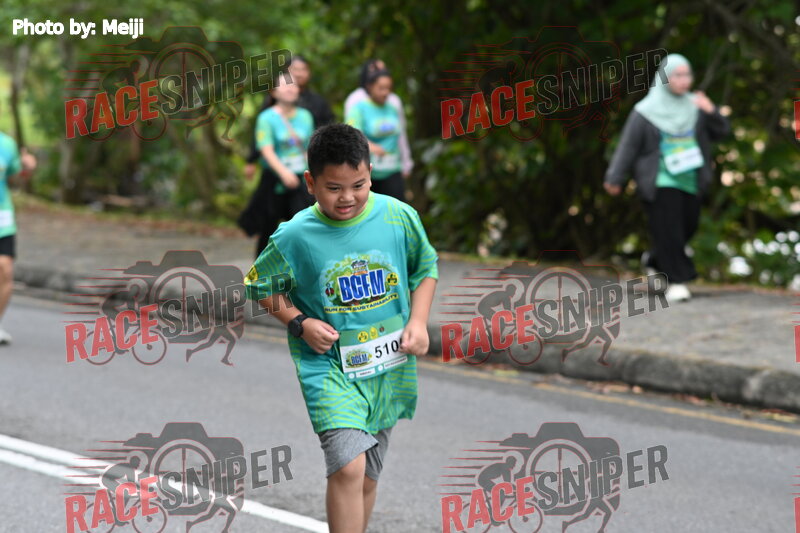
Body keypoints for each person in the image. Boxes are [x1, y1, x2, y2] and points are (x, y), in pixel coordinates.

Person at [243, 124, 438, 533]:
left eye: (358, 185)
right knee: (349, 467)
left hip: (387, 367)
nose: (347, 197)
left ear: (371, 174)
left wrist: (418, 322)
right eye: (334, 188)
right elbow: (259, 285)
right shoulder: (296, 235)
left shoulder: (398, 216)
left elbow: (425, 268)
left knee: (366, 476)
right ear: (311, 183)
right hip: (329, 366)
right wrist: (299, 322)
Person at [604, 53, 729, 303]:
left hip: (691, 179)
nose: (684, 80)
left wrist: (712, 111)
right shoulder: (645, 111)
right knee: (670, 229)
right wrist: (614, 177)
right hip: (660, 179)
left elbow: (722, 132)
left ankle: (654, 259)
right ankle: (676, 281)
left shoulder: (696, 106)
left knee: (688, 226)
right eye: (677, 75)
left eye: (687, 75)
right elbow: (628, 147)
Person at [251, 75, 315, 257]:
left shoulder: (305, 116)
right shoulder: (266, 118)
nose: (290, 88)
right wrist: (284, 173)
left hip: (301, 178)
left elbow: (309, 147)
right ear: (273, 92)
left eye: (293, 85)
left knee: (303, 225)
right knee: (268, 228)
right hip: (274, 180)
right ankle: (262, 268)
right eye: (285, 85)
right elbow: (266, 150)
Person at [345, 59, 413, 180]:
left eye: (383, 69)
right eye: (375, 69)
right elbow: (351, 134)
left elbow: (401, 134)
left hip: (392, 168)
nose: (379, 72)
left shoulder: (393, 102)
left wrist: (406, 161)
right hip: (368, 169)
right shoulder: (355, 100)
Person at [0, 132, 35, 344]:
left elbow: (14, 178)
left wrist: (26, 168)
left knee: (5, 269)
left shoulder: (6, 144)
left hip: (2, 218)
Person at [288, 54, 335, 129]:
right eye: (295, 69)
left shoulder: (319, 102)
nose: (299, 74)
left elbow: (329, 128)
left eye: (303, 69)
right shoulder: (275, 100)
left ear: (309, 73)